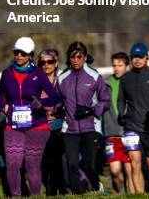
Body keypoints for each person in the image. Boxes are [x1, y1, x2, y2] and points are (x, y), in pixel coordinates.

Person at [0, 37, 60, 198]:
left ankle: (35, 196)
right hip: (13, 125)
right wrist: (1, 107)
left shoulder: (38, 74)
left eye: (23, 53)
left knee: (32, 165)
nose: (19, 56)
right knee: (12, 165)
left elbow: (54, 97)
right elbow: (1, 94)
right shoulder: (7, 73)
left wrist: (41, 102)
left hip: (37, 125)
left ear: (30, 55)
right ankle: (16, 196)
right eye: (16, 52)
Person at [57, 41, 110, 194]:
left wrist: (91, 110)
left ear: (85, 57)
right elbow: (58, 100)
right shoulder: (63, 78)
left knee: (88, 166)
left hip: (90, 127)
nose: (76, 60)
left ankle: (96, 185)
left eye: (79, 57)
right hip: (70, 128)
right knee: (72, 165)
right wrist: (58, 109)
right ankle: (79, 193)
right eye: (72, 57)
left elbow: (106, 101)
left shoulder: (94, 76)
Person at [118, 42, 149, 194]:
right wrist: (121, 114)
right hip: (132, 127)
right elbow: (120, 100)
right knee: (135, 163)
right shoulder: (125, 79)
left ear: (146, 57)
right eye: (134, 57)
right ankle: (140, 195)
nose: (137, 60)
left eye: (140, 57)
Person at [102, 52, 133, 194]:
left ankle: (129, 192)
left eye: (120, 65)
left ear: (127, 66)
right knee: (114, 171)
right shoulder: (105, 83)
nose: (117, 68)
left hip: (129, 132)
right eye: (114, 65)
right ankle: (120, 190)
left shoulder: (133, 81)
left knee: (130, 169)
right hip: (111, 133)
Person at [38, 48, 67, 196]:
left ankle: (58, 190)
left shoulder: (61, 81)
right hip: (39, 127)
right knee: (42, 163)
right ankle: (50, 189)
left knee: (57, 160)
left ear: (56, 64)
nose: (46, 65)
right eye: (42, 62)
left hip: (59, 126)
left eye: (50, 61)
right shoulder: (35, 82)